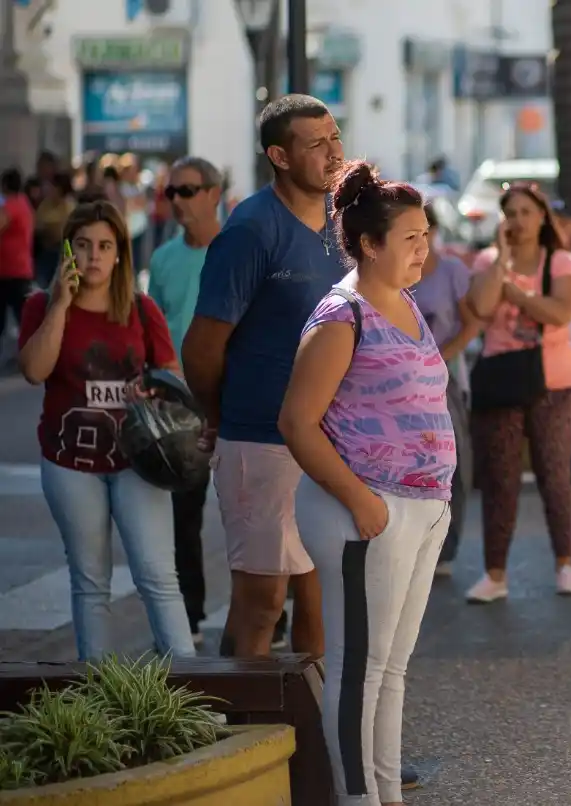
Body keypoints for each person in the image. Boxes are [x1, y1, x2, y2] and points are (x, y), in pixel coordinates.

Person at [279, 161, 453, 806]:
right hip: (364, 513)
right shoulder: (340, 316)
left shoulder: (403, 302)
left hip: (421, 509)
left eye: (426, 234)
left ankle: (385, 796)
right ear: (370, 244)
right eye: (409, 238)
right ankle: (357, 799)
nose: (423, 249)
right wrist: (361, 501)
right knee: (359, 671)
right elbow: (297, 423)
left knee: (392, 670)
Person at [183, 94, 345, 661]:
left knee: (320, 596)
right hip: (262, 438)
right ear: (279, 155)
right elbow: (201, 349)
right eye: (317, 143)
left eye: (335, 137)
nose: (334, 153)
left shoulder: (341, 220)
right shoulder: (251, 230)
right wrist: (223, 416)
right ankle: (237, 730)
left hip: (330, 442)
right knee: (261, 604)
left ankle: (314, 739)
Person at [16, 200, 195, 661]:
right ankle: (99, 693)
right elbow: (35, 370)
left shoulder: (140, 308)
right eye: (83, 245)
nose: (94, 255)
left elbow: (170, 379)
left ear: (119, 253)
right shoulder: (40, 305)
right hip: (70, 462)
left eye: (104, 246)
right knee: (90, 581)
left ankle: (194, 692)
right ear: (68, 251)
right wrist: (60, 303)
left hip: (139, 460)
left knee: (157, 575)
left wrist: (153, 393)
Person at [464, 183, 571, 603]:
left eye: (526, 212)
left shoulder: (561, 261)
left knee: (554, 474)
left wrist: (514, 292)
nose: (518, 221)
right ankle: (494, 574)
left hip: (555, 383)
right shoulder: (487, 261)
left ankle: (565, 563)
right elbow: (479, 308)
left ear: (541, 217)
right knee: (500, 480)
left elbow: (559, 312)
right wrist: (500, 259)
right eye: (510, 213)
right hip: (502, 381)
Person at [148, 156, 224, 647]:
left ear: (214, 193)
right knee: (182, 514)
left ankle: (271, 619)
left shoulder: (237, 251)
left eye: (189, 190)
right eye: (172, 192)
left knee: (250, 512)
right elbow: (153, 329)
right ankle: (191, 619)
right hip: (178, 402)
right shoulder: (162, 260)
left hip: (232, 394)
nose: (178, 200)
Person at [410, 201, 479, 577]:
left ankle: (446, 550)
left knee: (452, 465)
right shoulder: (397, 271)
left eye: (425, 230)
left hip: (446, 381)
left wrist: (441, 357)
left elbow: (472, 323)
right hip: (404, 383)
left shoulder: (451, 270)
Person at [0, 168, 35, 352]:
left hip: (11, 271)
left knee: (21, 316)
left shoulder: (11, 205)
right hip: (18, 269)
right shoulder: (23, 202)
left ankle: (31, 353)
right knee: (22, 316)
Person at [33, 172, 76, 289]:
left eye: (53, 187)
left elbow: (62, 230)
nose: (49, 190)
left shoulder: (69, 205)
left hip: (61, 252)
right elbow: (36, 225)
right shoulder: (45, 204)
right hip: (45, 251)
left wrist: (49, 227)